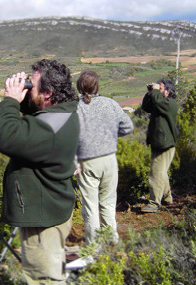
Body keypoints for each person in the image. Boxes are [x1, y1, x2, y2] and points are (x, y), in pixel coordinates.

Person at [0, 59, 79, 284]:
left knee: (43, 279)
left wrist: (11, 100)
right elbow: (36, 110)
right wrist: (27, 93)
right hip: (52, 209)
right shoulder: (64, 112)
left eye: (33, 85)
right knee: (52, 269)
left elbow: (7, 138)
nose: (29, 88)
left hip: (44, 221)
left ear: (49, 93)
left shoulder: (49, 127)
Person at [75, 70, 134, 245]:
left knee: (91, 208)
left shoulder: (75, 107)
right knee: (108, 204)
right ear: (97, 86)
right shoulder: (110, 104)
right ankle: (112, 243)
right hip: (109, 159)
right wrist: (109, 136)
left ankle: (94, 248)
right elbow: (127, 127)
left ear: (79, 87)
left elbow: (70, 137)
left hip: (87, 161)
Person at [141, 79, 179, 213]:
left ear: (167, 92)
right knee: (161, 171)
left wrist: (156, 92)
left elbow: (158, 102)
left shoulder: (170, 104)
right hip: (160, 143)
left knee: (156, 172)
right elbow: (146, 107)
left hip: (165, 144)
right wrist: (150, 92)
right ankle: (167, 198)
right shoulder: (160, 103)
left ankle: (154, 203)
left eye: (161, 88)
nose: (159, 90)